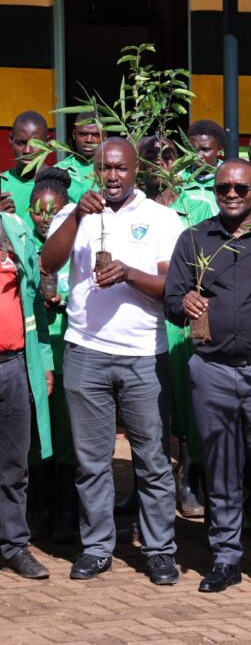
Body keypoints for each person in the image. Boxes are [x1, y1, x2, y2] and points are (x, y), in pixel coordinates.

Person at [164, 159, 251, 599]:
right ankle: (226, 558)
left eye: (240, 188)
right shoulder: (195, 239)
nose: (231, 194)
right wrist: (184, 299)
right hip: (211, 370)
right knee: (221, 471)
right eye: (223, 186)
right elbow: (171, 299)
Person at [40, 137, 182, 584]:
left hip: (143, 354)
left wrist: (128, 274)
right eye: (106, 168)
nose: (114, 176)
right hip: (86, 351)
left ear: (137, 169)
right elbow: (49, 262)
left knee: (153, 459)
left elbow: (171, 287)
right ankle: (97, 547)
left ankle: (160, 550)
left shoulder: (161, 217)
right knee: (92, 461)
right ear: (96, 170)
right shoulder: (77, 211)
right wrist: (78, 215)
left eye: (122, 167)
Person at [143, 135, 215, 519]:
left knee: (192, 403)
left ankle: (191, 479)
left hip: (186, 320)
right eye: (150, 157)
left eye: (167, 156)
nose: (160, 163)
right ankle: (147, 488)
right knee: (152, 408)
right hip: (145, 317)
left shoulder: (199, 206)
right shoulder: (134, 208)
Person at [0, 204, 54, 579]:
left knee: (15, 464)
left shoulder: (15, 227)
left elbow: (34, 299)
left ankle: (13, 545)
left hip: (15, 364)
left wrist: (46, 361)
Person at [25, 169, 77, 545]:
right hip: (35, 349)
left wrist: (65, 299)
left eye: (54, 212)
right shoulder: (20, 243)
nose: (45, 219)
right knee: (37, 423)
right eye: (38, 212)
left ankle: (68, 508)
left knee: (68, 426)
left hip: (69, 345)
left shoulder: (78, 245)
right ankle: (39, 505)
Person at [1, 111, 49, 221]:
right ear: (11, 139)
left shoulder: (65, 185)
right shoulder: (2, 185)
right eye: (21, 143)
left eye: (35, 144)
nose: (27, 151)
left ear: (47, 143)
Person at [55, 112, 102, 202]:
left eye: (95, 135)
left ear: (105, 137)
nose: (89, 140)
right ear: (74, 134)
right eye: (83, 134)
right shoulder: (58, 171)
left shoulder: (114, 171)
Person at [182, 120, 226, 193]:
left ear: (219, 150)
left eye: (205, 150)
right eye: (193, 150)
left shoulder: (229, 176)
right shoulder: (179, 178)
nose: (198, 156)